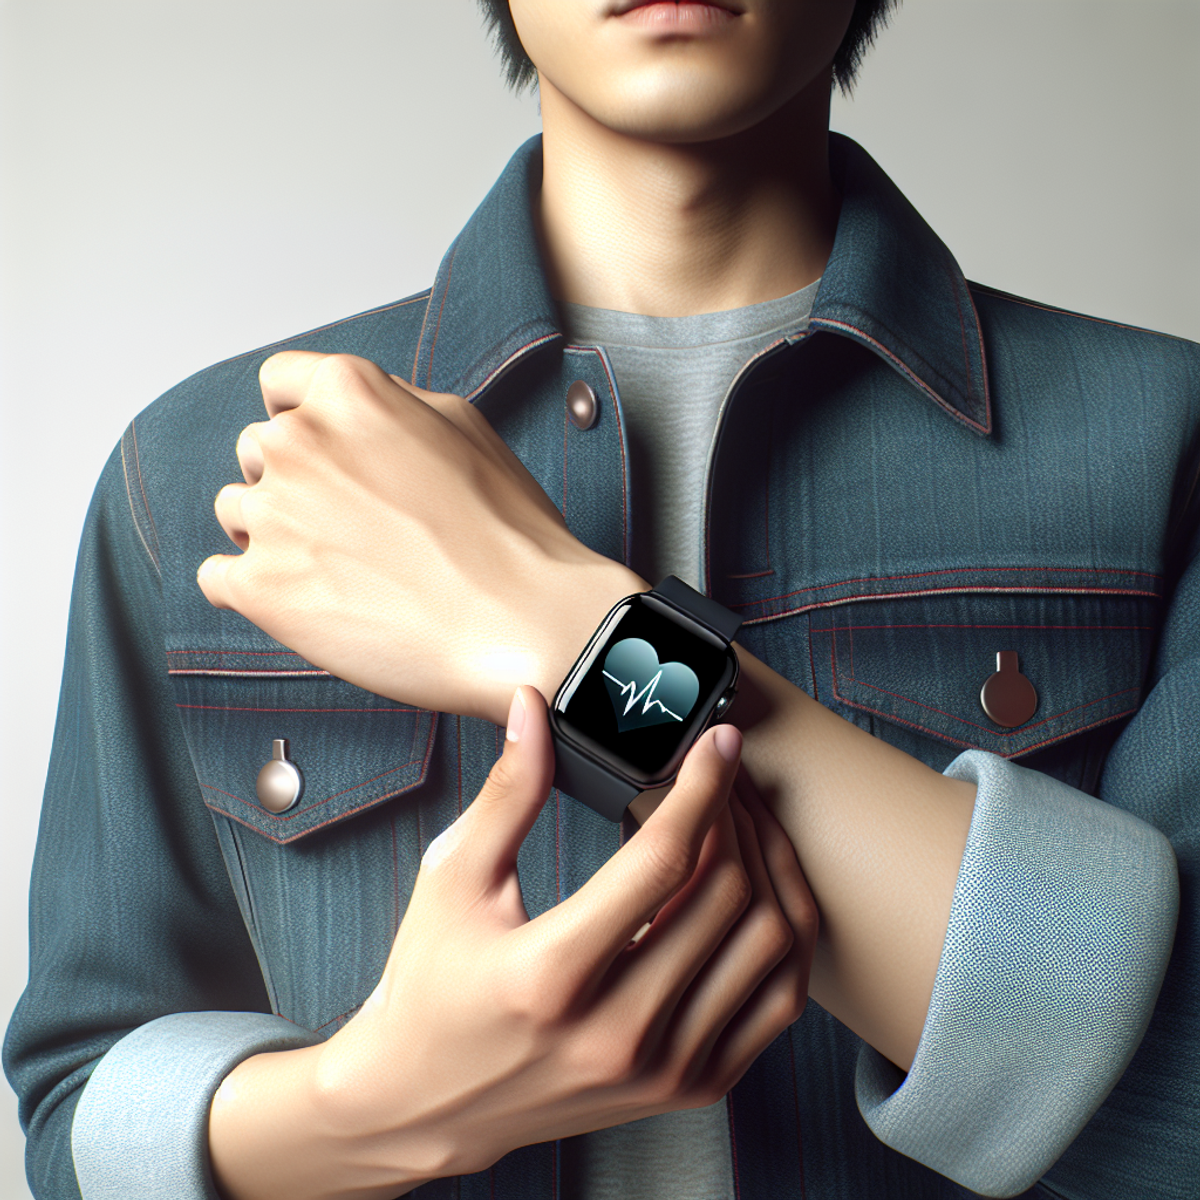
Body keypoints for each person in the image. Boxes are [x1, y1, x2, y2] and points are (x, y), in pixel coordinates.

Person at [5, 1, 1195, 1198]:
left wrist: (553, 620)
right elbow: (75, 1111)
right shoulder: (222, 471)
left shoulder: (1160, 447)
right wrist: (360, 1106)